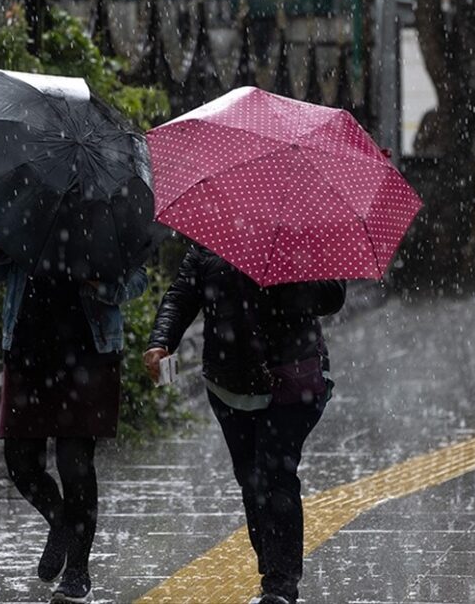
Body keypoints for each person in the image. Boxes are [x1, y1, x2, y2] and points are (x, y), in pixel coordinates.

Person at [144, 244, 345, 604]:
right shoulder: (209, 243)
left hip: (293, 376)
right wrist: (161, 341)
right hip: (230, 382)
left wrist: (287, 278)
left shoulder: (301, 232)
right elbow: (181, 296)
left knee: (275, 472)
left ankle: (281, 585)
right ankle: (271, 568)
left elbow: (333, 296)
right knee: (251, 478)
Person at [0, 241, 147, 604]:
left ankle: (77, 572)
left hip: (89, 354)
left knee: (75, 466)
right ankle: (61, 523)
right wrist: (5, 241)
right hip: (27, 352)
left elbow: (138, 278)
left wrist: (102, 287)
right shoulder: (29, 205)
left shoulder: (107, 209)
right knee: (21, 464)